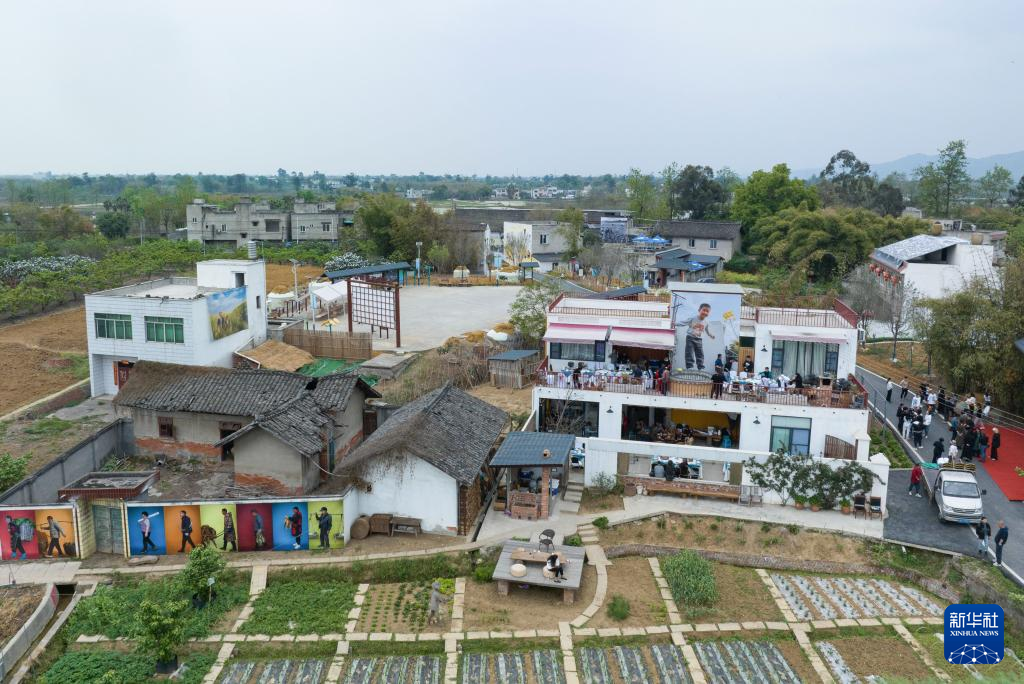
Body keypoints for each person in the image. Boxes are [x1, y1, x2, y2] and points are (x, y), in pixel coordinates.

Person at [680, 303, 715, 370]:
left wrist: (711, 335)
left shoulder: (706, 322)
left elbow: (707, 330)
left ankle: (701, 367)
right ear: (699, 310)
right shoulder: (693, 318)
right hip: (690, 337)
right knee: (689, 352)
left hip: (699, 339)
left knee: (700, 353)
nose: (705, 312)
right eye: (704, 310)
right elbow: (684, 322)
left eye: (707, 311)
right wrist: (675, 324)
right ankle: (690, 366)